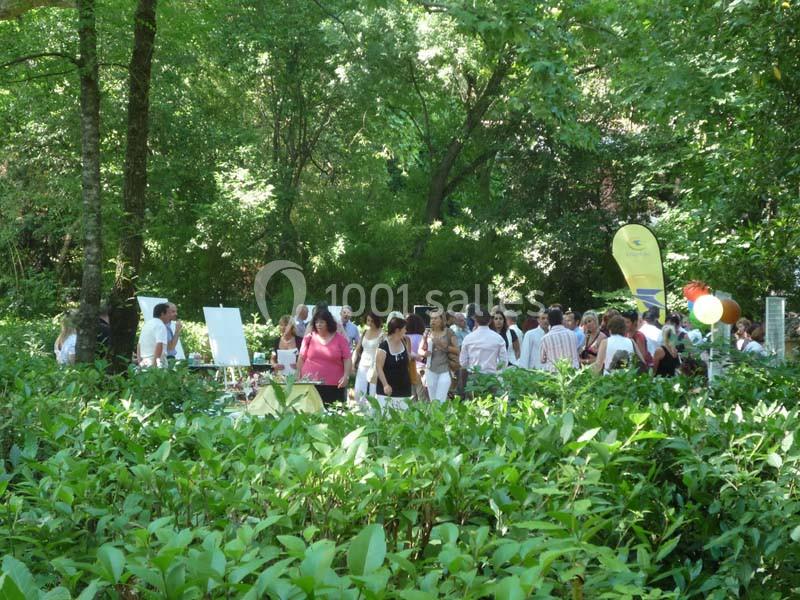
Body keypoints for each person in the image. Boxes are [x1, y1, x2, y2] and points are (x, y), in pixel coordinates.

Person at [296, 309, 352, 405]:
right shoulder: (308, 338)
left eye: (321, 322)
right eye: (316, 322)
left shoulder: (340, 339)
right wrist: (298, 373)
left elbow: (347, 359)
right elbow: (301, 358)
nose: (318, 325)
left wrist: (346, 376)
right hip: (310, 383)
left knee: (333, 411)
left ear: (328, 323)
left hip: (335, 384)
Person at [421, 309, 460, 402]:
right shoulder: (427, 332)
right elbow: (420, 350)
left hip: (445, 369)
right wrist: (424, 353)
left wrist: (444, 346)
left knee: (441, 399)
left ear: (442, 320)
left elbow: (457, 350)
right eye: (431, 319)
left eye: (435, 318)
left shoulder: (449, 332)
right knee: (433, 399)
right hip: (430, 369)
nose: (433, 321)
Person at [375, 316, 413, 410]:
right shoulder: (383, 346)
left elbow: (408, 359)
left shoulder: (404, 341)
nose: (406, 331)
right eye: (404, 328)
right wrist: (385, 385)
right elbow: (378, 367)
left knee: (403, 416)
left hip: (404, 388)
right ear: (397, 330)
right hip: (387, 390)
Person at [459, 308, 508, 374]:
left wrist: (471, 368)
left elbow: (463, 362)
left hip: (474, 375)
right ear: (490, 321)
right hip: (492, 376)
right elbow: (504, 361)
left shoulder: (468, 338)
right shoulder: (498, 338)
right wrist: (496, 370)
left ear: (476, 321)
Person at [353, 311, 383, 405]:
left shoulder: (382, 334)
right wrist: (353, 364)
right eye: (368, 320)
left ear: (377, 321)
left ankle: (373, 411)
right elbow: (357, 349)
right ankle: (361, 410)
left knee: (373, 392)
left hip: (375, 365)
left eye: (372, 321)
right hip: (363, 364)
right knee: (358, 390)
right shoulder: (365, 332)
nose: (370, 323)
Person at [137, 303, 174, 368]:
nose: (170, 315)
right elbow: (159, 344)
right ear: (162, 314)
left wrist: (140, 362)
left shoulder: (147, 325)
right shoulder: (160, 325)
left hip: (144, 362)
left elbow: (139, 345)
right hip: (156, 364)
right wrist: (155, 366)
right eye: (169, 313)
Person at [404, 312, 427, 401]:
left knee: (412, 396)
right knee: (422, 396)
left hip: (409, 368)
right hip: (422, 368)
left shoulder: (404, 338)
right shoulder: (422, 337)